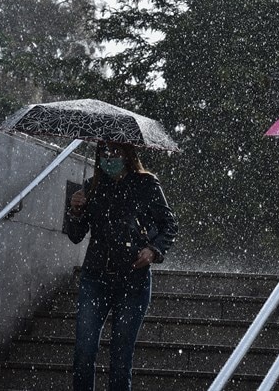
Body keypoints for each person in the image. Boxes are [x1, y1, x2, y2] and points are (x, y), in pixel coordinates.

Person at [67, 142, 178, 391]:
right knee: (84, 351)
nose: (109, 158)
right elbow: (75, 235)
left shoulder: (146, 184)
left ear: (127, 154)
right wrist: (74, 210)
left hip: (133, 280)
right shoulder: (91, 187)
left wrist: (154, 250)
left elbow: (169, 225)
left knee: (121, 357)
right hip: (95, 277)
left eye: (115, 152)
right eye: (104, 153)